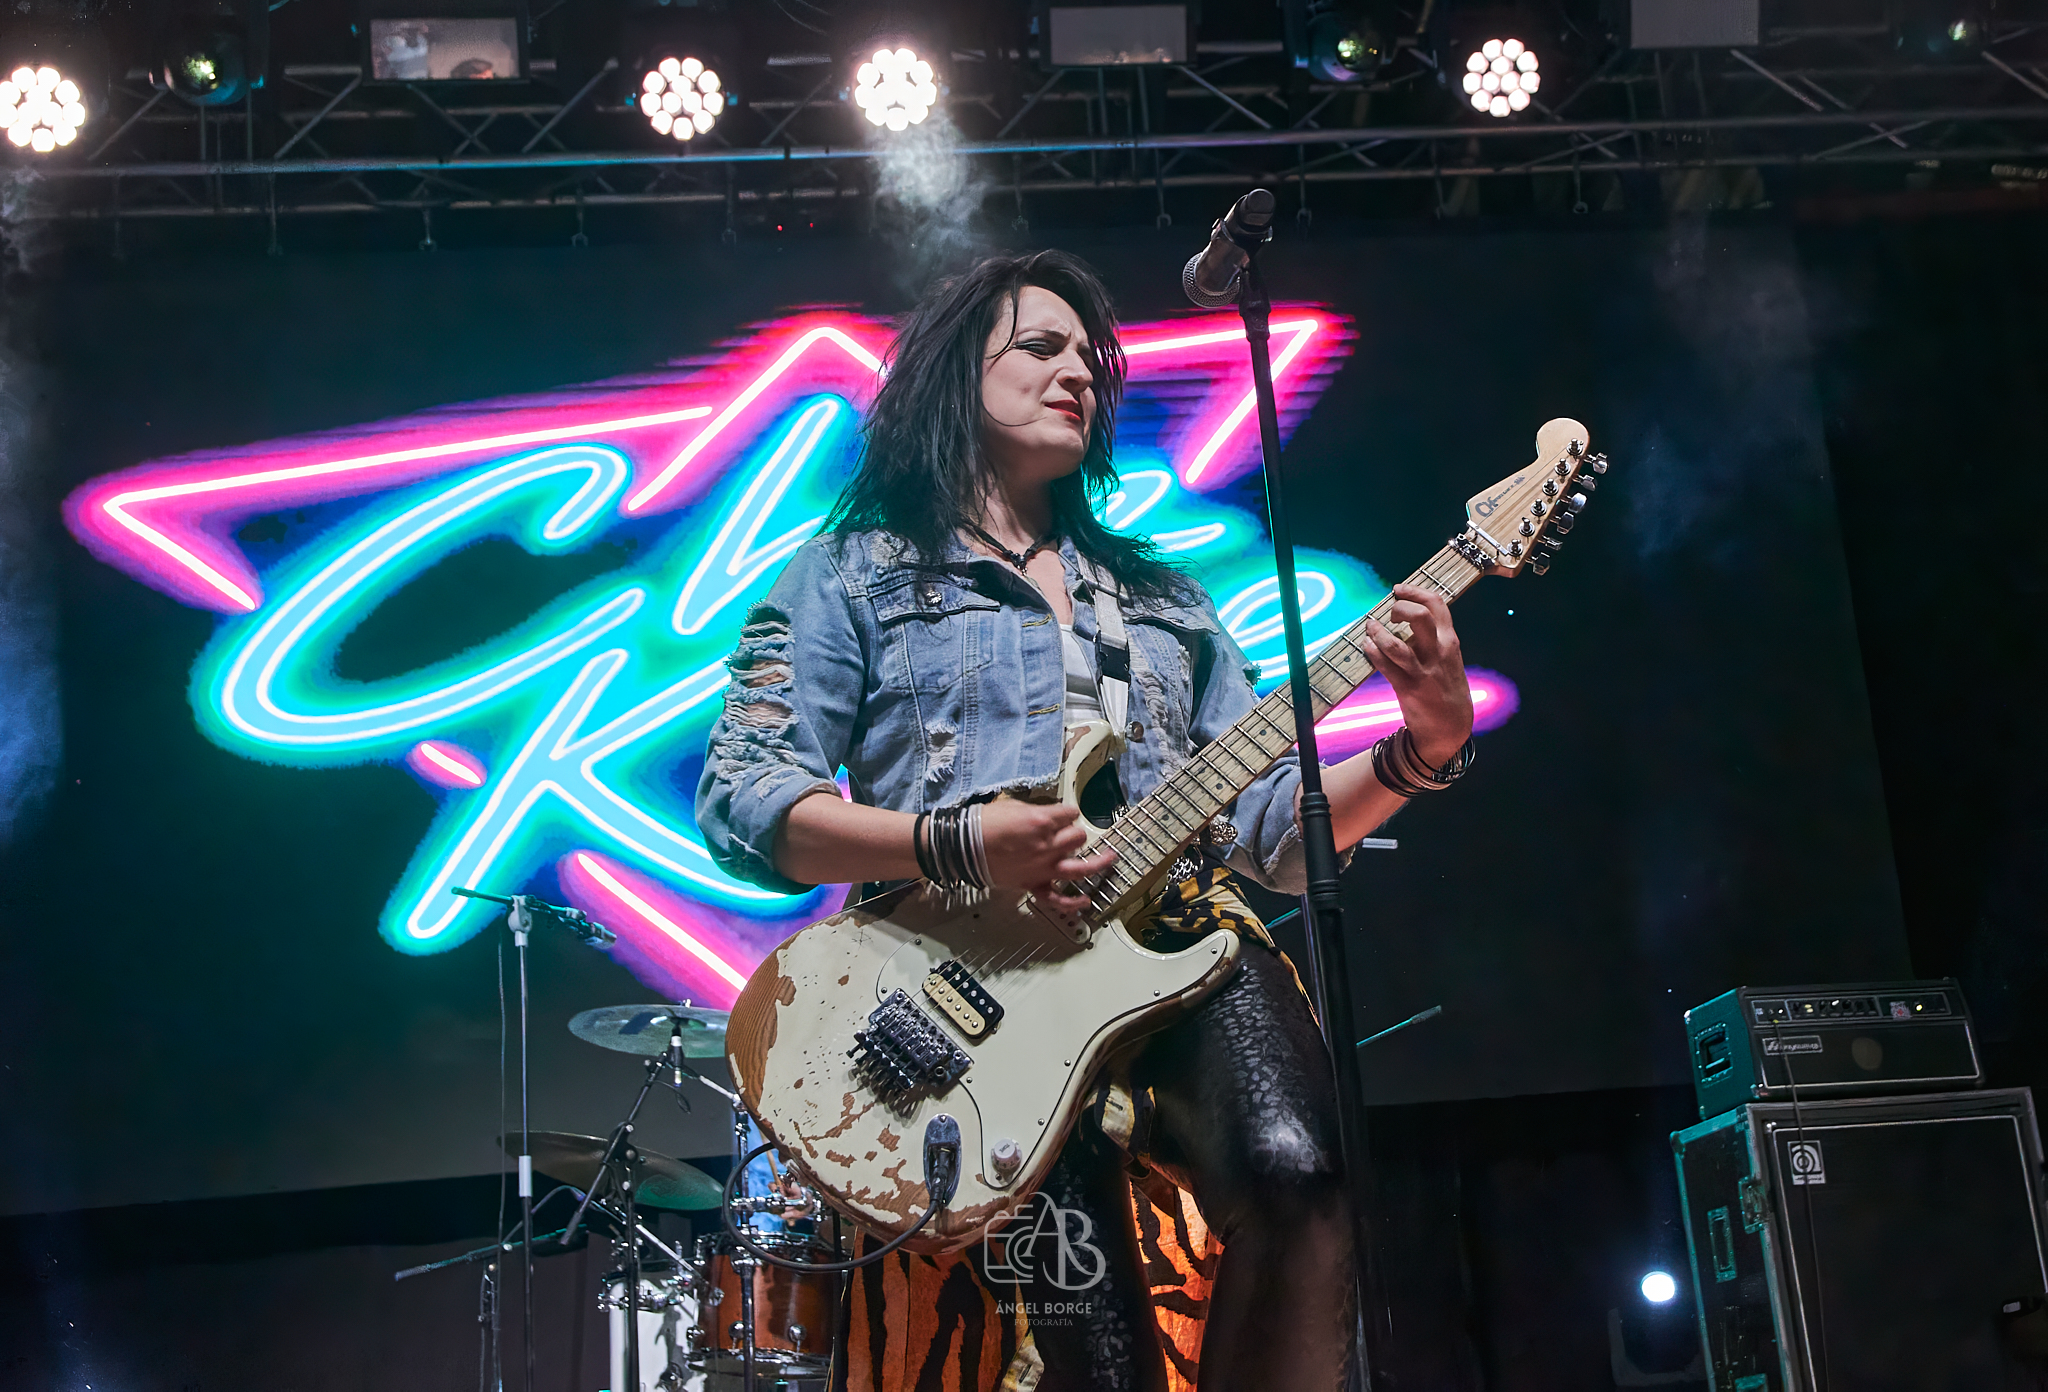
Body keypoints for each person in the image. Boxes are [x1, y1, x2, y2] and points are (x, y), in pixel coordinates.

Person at [696, 250, 1476, 1391]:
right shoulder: (849, 575)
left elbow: (1271, 835)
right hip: (963, 985)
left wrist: (1423, 749)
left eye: (1090, 359)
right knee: (1091, 1351)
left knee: (1303, 1180)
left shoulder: (1167, 602)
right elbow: (748, 802)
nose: (1079, 373)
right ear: (956, 376)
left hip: (1175, 944)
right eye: (1041, 347)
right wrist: (961, 843)